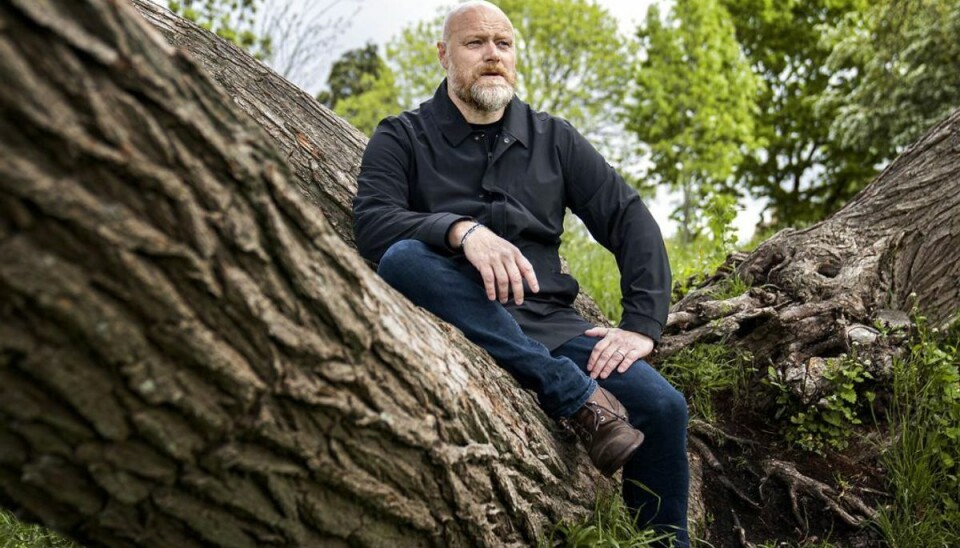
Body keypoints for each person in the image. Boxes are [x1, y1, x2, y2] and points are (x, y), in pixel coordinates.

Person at [352, 1, 689, 544]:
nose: (492, 56)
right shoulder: (402, 135)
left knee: (664, 406)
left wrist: (643, 325)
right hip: (459, 309)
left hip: (550, 324)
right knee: (403, 258)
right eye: (475, 44)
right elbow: (372, 222)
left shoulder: (554, 138)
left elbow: (629, 219)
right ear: (443, 55)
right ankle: (576, 399)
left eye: (502, 45)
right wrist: (461, 231)